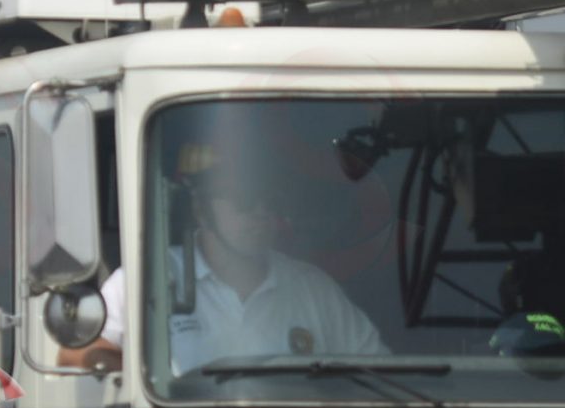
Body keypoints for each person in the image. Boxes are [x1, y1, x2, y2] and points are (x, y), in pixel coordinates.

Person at [93, 139, 386, 375]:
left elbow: (376, 369)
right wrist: (140, 378)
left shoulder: (313, 288)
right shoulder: (147, 278)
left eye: (271, 201)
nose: (261, 212)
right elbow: (83, 352)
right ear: (199, 209)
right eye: (244, 199)